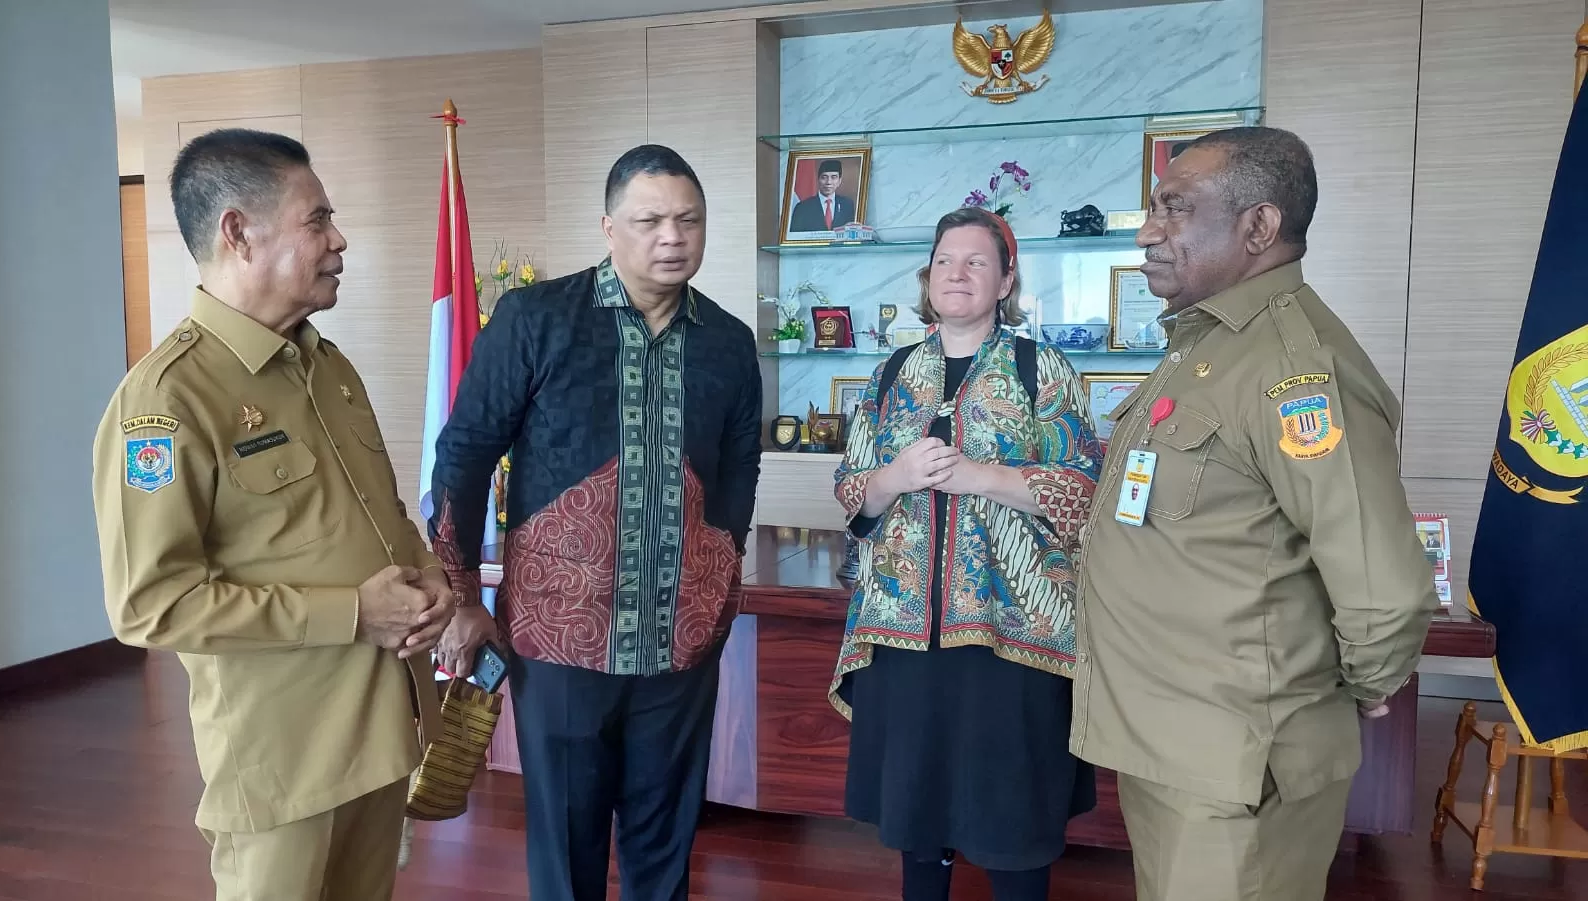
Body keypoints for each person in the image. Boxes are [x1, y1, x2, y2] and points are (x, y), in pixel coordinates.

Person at [1070, 126, 1440, 901]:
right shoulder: (1205, 346)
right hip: (1175, 742)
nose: (1148, 231)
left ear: (1259, 228)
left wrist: (1361, 684)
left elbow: (1384, 585)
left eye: (1175, 208)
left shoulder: (1290, 369)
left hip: (1236, 758)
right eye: (1152, 208)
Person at [91, 128, 455, 901]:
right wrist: (353, 612)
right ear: (237, 232)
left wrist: (429, 581)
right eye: (317, 219)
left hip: (382, 724)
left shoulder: (326, 364)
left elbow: (378, 512)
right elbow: (150, 604)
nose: (338, 238)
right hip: (283, 755)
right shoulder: (166, 400)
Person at [426, 144, 763, 901]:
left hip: (681, 641)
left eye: (689, 220)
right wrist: (459, 597)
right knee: (568, 841)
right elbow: (465, 455)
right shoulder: (535, 319)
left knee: (665, 838)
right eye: (649, 220)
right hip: (560, 637)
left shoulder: (730, 342)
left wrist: (720, 573)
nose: (671, 237)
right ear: (608, 226)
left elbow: (741, 472)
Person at [830, 206, 1104, 901]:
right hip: (903, 632)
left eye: (977, 261)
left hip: (1013, 633)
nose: (958, 272)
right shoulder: (893, 371)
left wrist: (981, 476)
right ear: (930, 276)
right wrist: (896, 477)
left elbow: (1083, 486)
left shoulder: (1040, 366)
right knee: (919, 817)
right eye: (947, 259)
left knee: (1012, 816)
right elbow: (852, 491)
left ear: (1005, 279)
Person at [789, 157, 856, 232]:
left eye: (833, 177)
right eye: (824, 177)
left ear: (839, 181)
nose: (828, 182)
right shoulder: (802, 207)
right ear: (818, 180)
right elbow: (795, 237)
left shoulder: (847, 205)